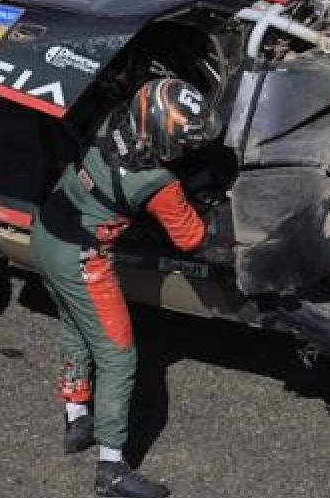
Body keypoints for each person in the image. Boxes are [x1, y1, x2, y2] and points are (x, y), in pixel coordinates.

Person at [30, 78, 222, 498]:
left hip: (44, 232)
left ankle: (76, 414)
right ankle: (111, 469)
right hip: (82, 258)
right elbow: (191, 239)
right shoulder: (157, 182)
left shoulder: (111, 119)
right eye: (183, 143)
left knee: (74, 326)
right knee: (118, 356)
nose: (186, 150)